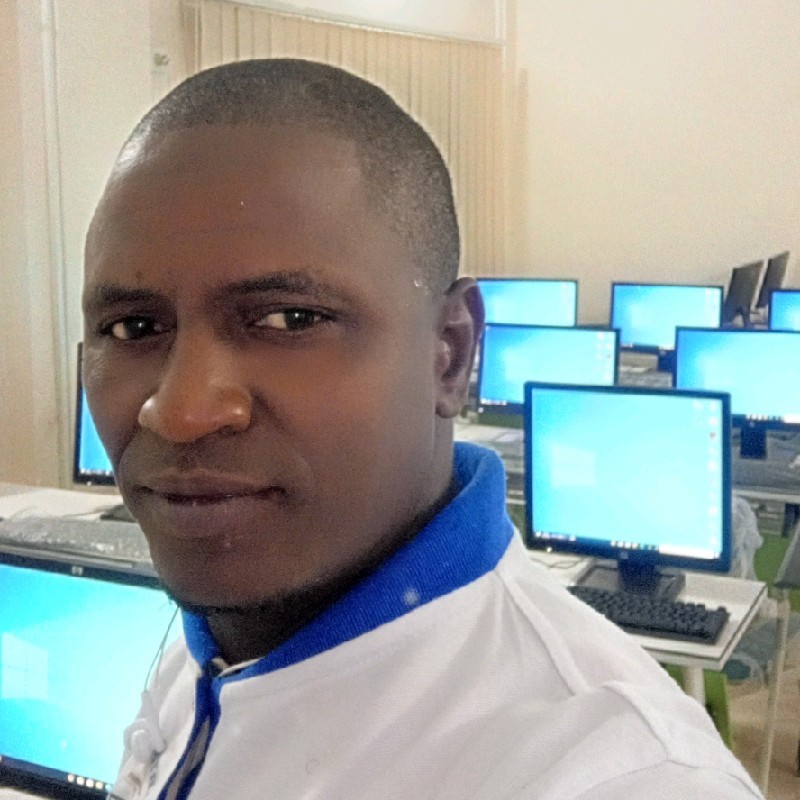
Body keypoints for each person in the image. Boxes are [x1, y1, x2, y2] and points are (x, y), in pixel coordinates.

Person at [82, 58, 762, 800]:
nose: (180, 412)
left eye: (289, 319)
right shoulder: (206, 644)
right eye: (132, 327)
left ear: (450, 354)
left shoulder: (618, 776)